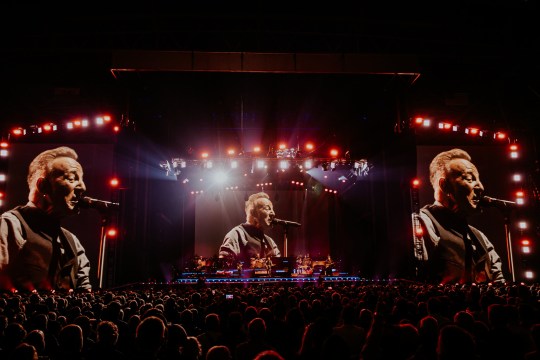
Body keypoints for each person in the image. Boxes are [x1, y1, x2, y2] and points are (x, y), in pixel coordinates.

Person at [0, 146, 92, 292]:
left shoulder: (72, 242)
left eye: (81, 179)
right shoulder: (10, 224)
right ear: (42, 185)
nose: (83, 187)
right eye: (72, 179)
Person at [417, 148, 505, 284]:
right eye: (470, 179)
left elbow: (498, 280)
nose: (480, 187)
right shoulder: (422, 222)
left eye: (478, 180)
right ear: (444, 185)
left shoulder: (480, 237)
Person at [219, 192, 281, 264]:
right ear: (252, 212)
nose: (273, 213)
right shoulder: (236, 235)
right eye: (267, 208)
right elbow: (224, 266)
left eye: (272, 209)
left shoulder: (270, 242)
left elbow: (279, 268)